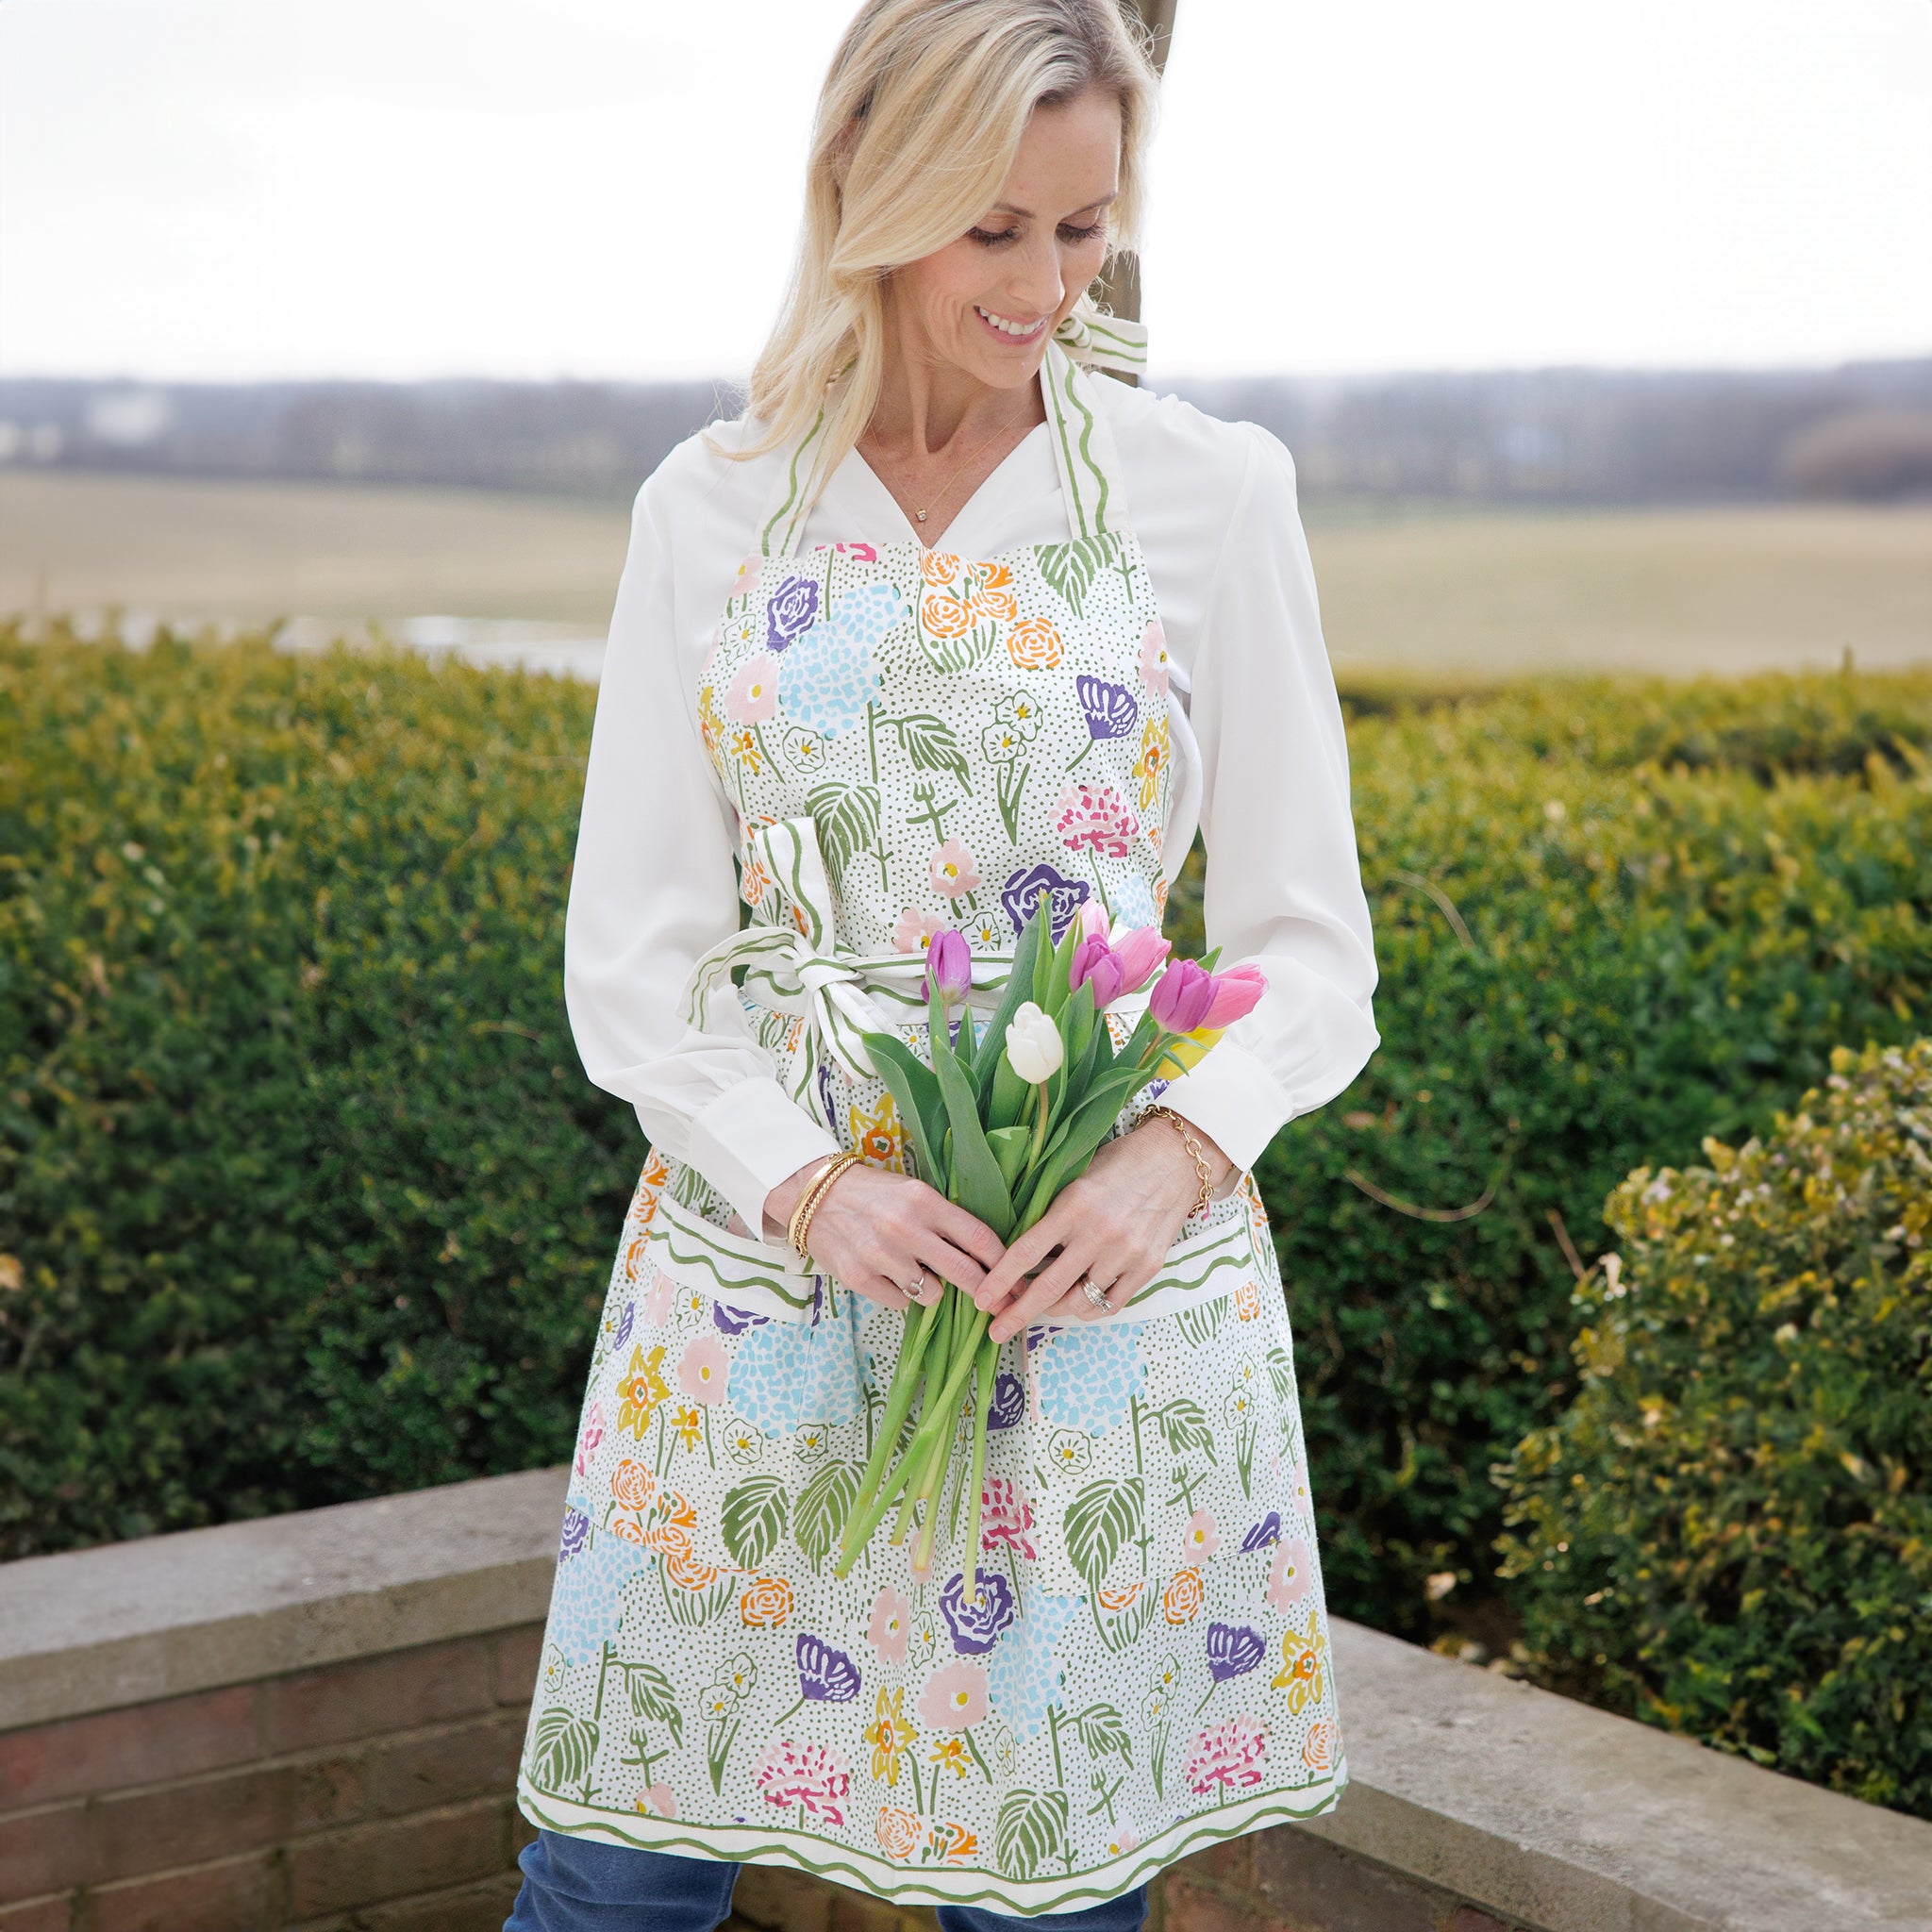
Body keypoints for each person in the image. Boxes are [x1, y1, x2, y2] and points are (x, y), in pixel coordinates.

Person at [508, 2, 1378, 1925]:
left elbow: (1314, 949)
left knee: (1044, 1884)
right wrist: (807, 1184)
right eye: (995, 228)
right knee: (615, 1875)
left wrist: (1174, 1156)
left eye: (1083, 228)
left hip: (1082, 1296)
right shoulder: (710, 505)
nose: (1046, 285)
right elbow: (637, 958)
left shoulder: (1208, 493)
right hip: (757, 1285)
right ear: (866, 191)